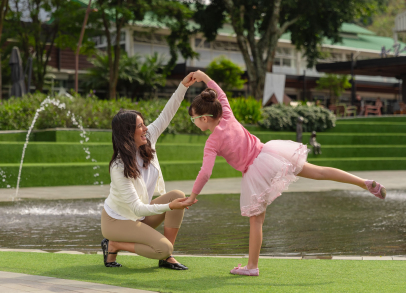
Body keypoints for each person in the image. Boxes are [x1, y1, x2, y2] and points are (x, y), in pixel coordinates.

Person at [184, 70, 386, 276]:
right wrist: (203, 76)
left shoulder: (212, 142)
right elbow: (221, 93)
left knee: (256, 220)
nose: (194, 122)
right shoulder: (226, 113)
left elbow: (205, 173)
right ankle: (363, 182)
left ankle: (252, 266)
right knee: (319, 172)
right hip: (270, 154)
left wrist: (192, 196)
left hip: (256, 171)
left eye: (194, 119)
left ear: (206, 118)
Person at [100, 72, 197, 270]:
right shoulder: (118, 167)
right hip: (117, 221)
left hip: (139, 216)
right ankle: (114, 244)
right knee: (162, 246)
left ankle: (167, 257)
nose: (145, 128)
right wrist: (170, 206)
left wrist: (183, 86)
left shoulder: (148, 139)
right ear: (128, 133)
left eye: (144, 124)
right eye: (140, 126)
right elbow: (136, 209)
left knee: (177, 195)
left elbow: (167, 114)